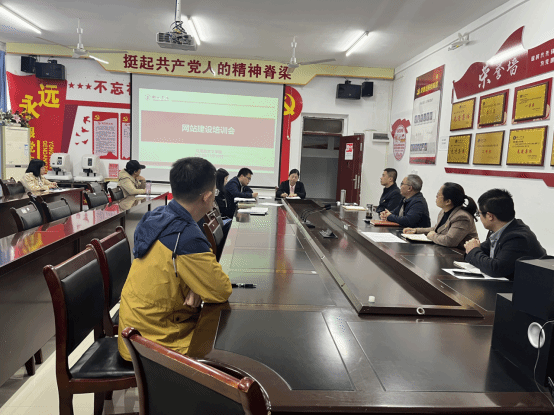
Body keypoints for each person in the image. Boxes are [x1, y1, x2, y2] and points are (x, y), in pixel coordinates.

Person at [117, 157, 232, 361]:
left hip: (133, 328)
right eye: (214, 193)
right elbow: (221, 290)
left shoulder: (157, 216)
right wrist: (200, 285)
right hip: (152, 341)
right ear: (207, 197)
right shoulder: (186, 237)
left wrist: (196, 285)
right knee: (228, 349)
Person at [464, 189, 546, 280]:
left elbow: (495, 269)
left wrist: (473, 250)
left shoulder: (517, 238)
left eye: (479, 213)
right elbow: (482, 251)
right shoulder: (502, 230)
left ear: (490, 216)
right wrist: (472, 249)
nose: (479, 217)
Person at [403, 182, 478, 249]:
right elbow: (436, 229)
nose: (436, 198)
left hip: (460, 255)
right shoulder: (443, 211)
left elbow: (450, 241)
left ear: (448, 201)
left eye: (438, 196)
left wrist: (433, 236)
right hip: (444, 251)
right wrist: (416, 230)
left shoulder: (462, 217)